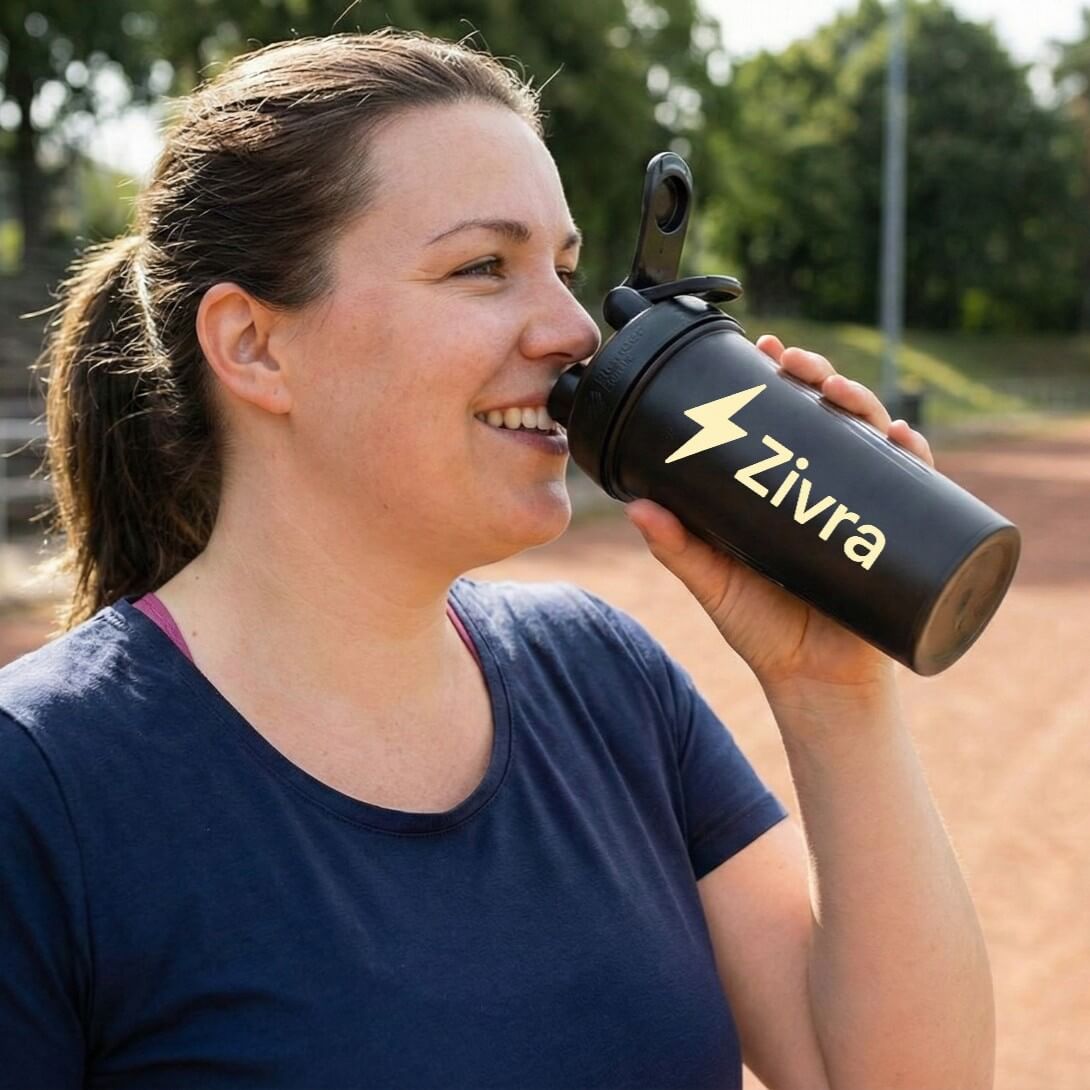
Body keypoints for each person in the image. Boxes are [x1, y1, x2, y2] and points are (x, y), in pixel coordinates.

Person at [0, 29, 994, 1090]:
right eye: (483, 267)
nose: (573, 329)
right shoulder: (41, 787)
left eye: (564, 268)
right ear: (254, 344)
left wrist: (833, 693)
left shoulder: (607, 682)